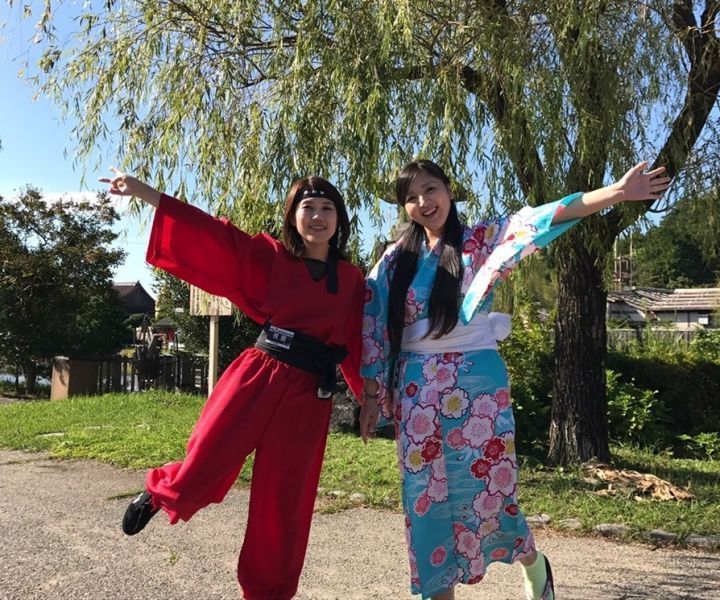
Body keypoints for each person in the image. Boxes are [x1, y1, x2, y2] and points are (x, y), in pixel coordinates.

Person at [359, 159, 670, 600]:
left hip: (476, 387)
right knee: (424, 493)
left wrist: (616, 193)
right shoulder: (395, 260)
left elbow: (544, 217)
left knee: (488, 487)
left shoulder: (482, 239)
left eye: (430, 189)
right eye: (411, 197)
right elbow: (372, 323)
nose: (423, 202)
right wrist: (371, 394)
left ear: (449, 190)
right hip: (416, 389)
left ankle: (532, 562)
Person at [100, 167, 364, 600]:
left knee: (285, 501)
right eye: (308, 208)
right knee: (206, 461)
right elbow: (215, 236)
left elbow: (355, 340)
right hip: (258, 375)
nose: (318, 217)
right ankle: (161, 492)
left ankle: (267, 592)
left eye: (327, 209)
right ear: (293, 216)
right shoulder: (273, 258)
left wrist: (367, 397)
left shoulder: (351, 280)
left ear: (339, 220)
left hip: (307, 396)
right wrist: (146, 193)